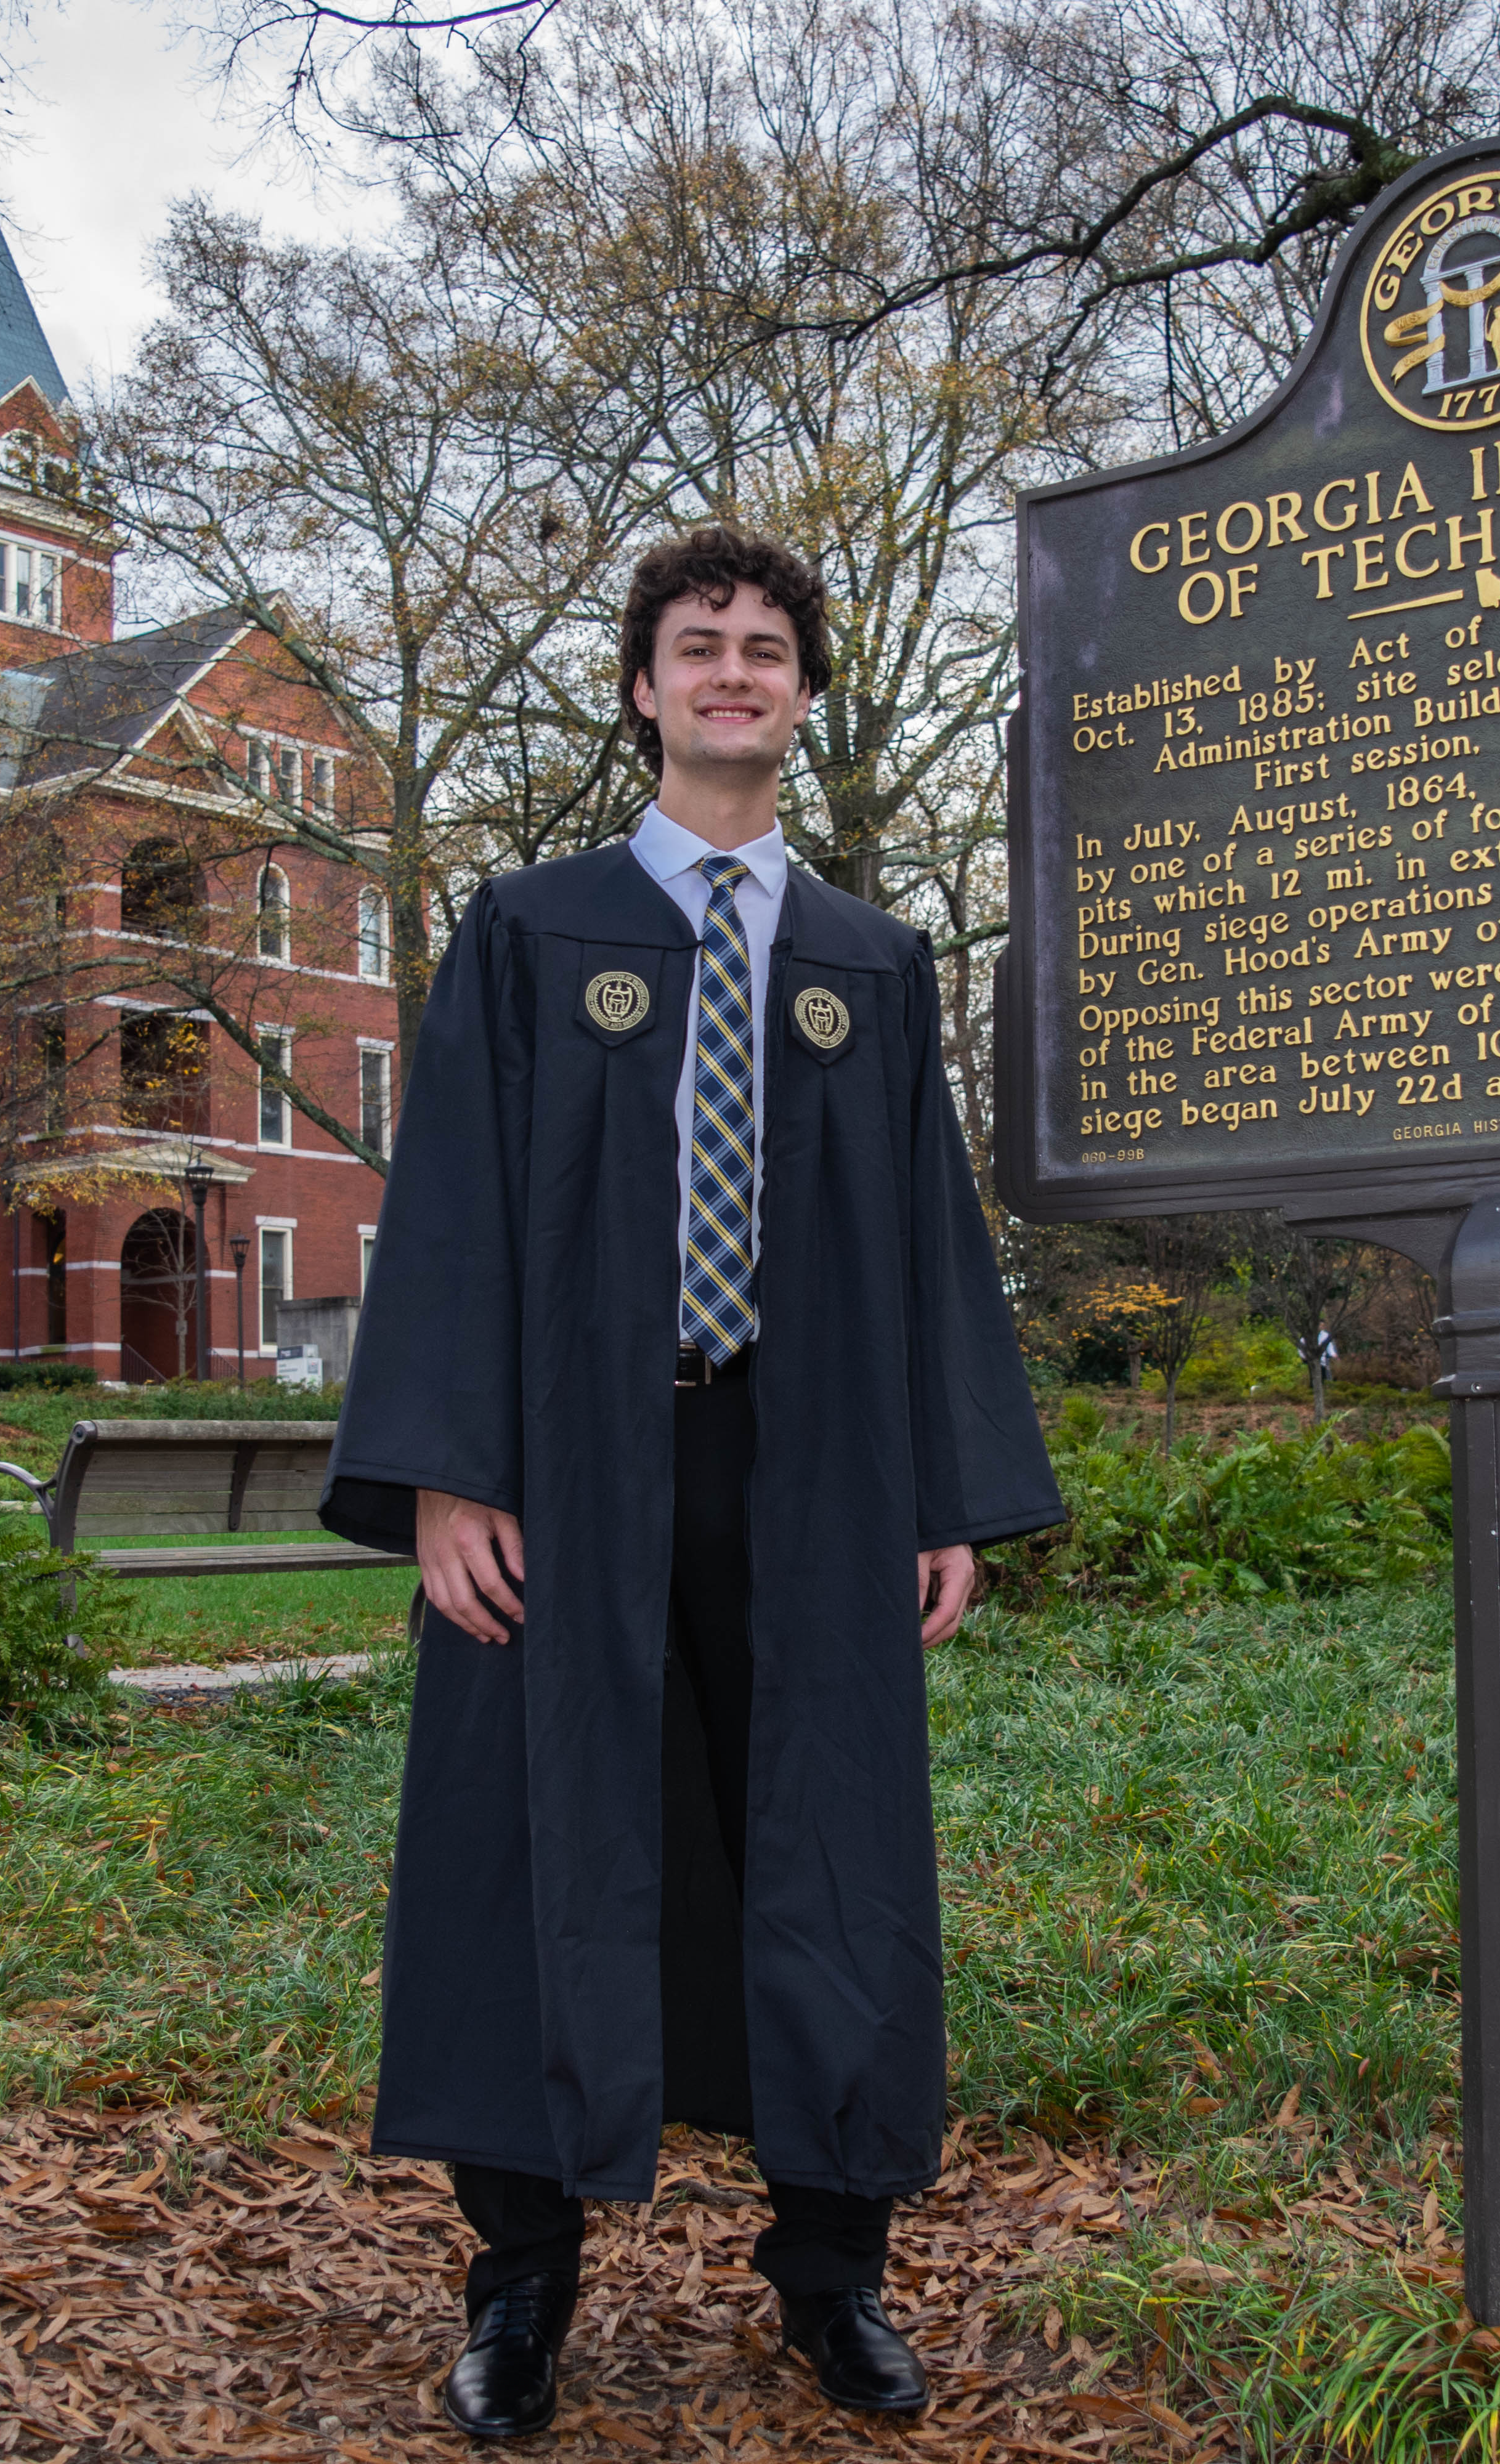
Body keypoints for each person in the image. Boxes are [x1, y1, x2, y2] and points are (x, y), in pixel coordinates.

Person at [320, 527, 1061, 2440]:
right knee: (533, 1836)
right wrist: (446, 1478)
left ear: (803, 695)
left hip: (808, 1466)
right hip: (569, 1465)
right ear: (643, 689)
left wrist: (944, 1493)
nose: (735, 670)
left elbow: (930, 1242)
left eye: (766, 648)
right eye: (699, 644)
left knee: (830, 1845)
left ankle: (831, 2275)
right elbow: (453, 1212)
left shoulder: (871, 966)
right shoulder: (528, 930)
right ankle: (520, 2284)